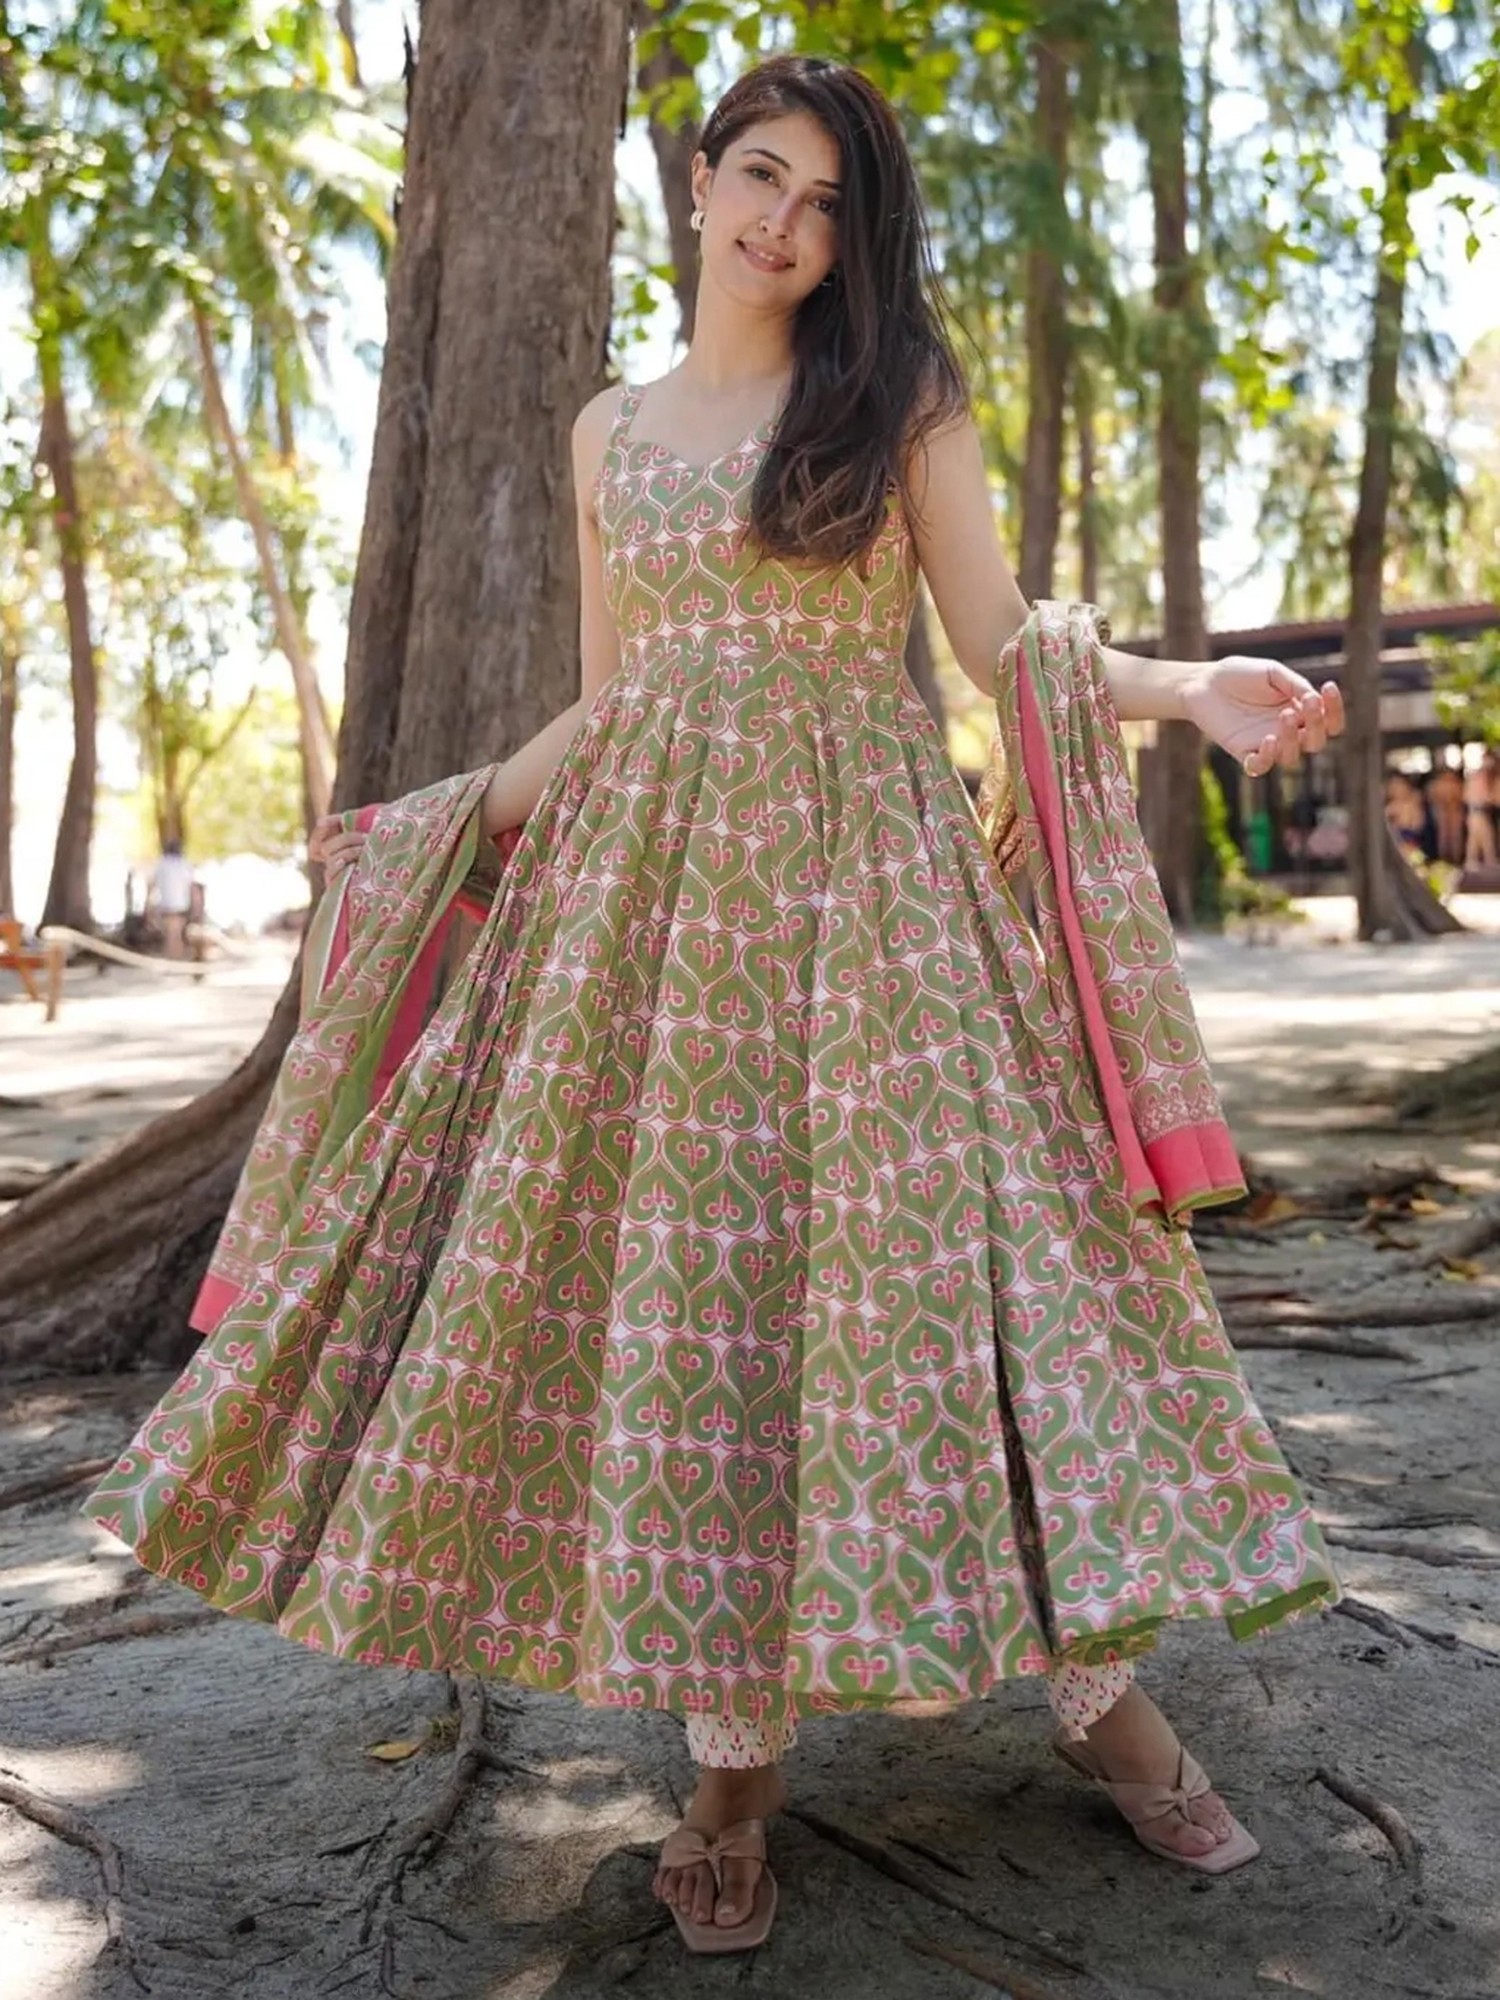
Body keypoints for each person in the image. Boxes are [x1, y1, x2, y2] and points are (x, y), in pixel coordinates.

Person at [84, 55, 1345, 1955]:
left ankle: (1102, 1700)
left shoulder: (896, 398)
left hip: (875, 920)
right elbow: (616, 709)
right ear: (696, 180)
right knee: (708, 1313)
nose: (786, 223)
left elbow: (998, 645)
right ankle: (731, 1770)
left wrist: (1186, 693)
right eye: (762, 176)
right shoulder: (606, 433)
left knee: (950, 1286)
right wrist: (432, 825)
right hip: (654, 942)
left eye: (826, 201)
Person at [148, 836, 195, 960]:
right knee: (176, 934)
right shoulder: (185, 864)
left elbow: (151, 884)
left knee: (171, 934)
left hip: (167, 905)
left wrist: (149, 907)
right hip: (181, 905)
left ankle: (172, 958)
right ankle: (175, 958)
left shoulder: (161, 865)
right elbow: (192, 887)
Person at [1428, 751, 1466, 866]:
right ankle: (1445, 859)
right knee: (1444, 837)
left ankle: (1455, 859)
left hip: (1455, 812)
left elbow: (1461, 797)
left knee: (1455, 837)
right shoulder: (1438, 784)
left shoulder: (1456, 784)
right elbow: (1433, 798)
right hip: (1443, 812)